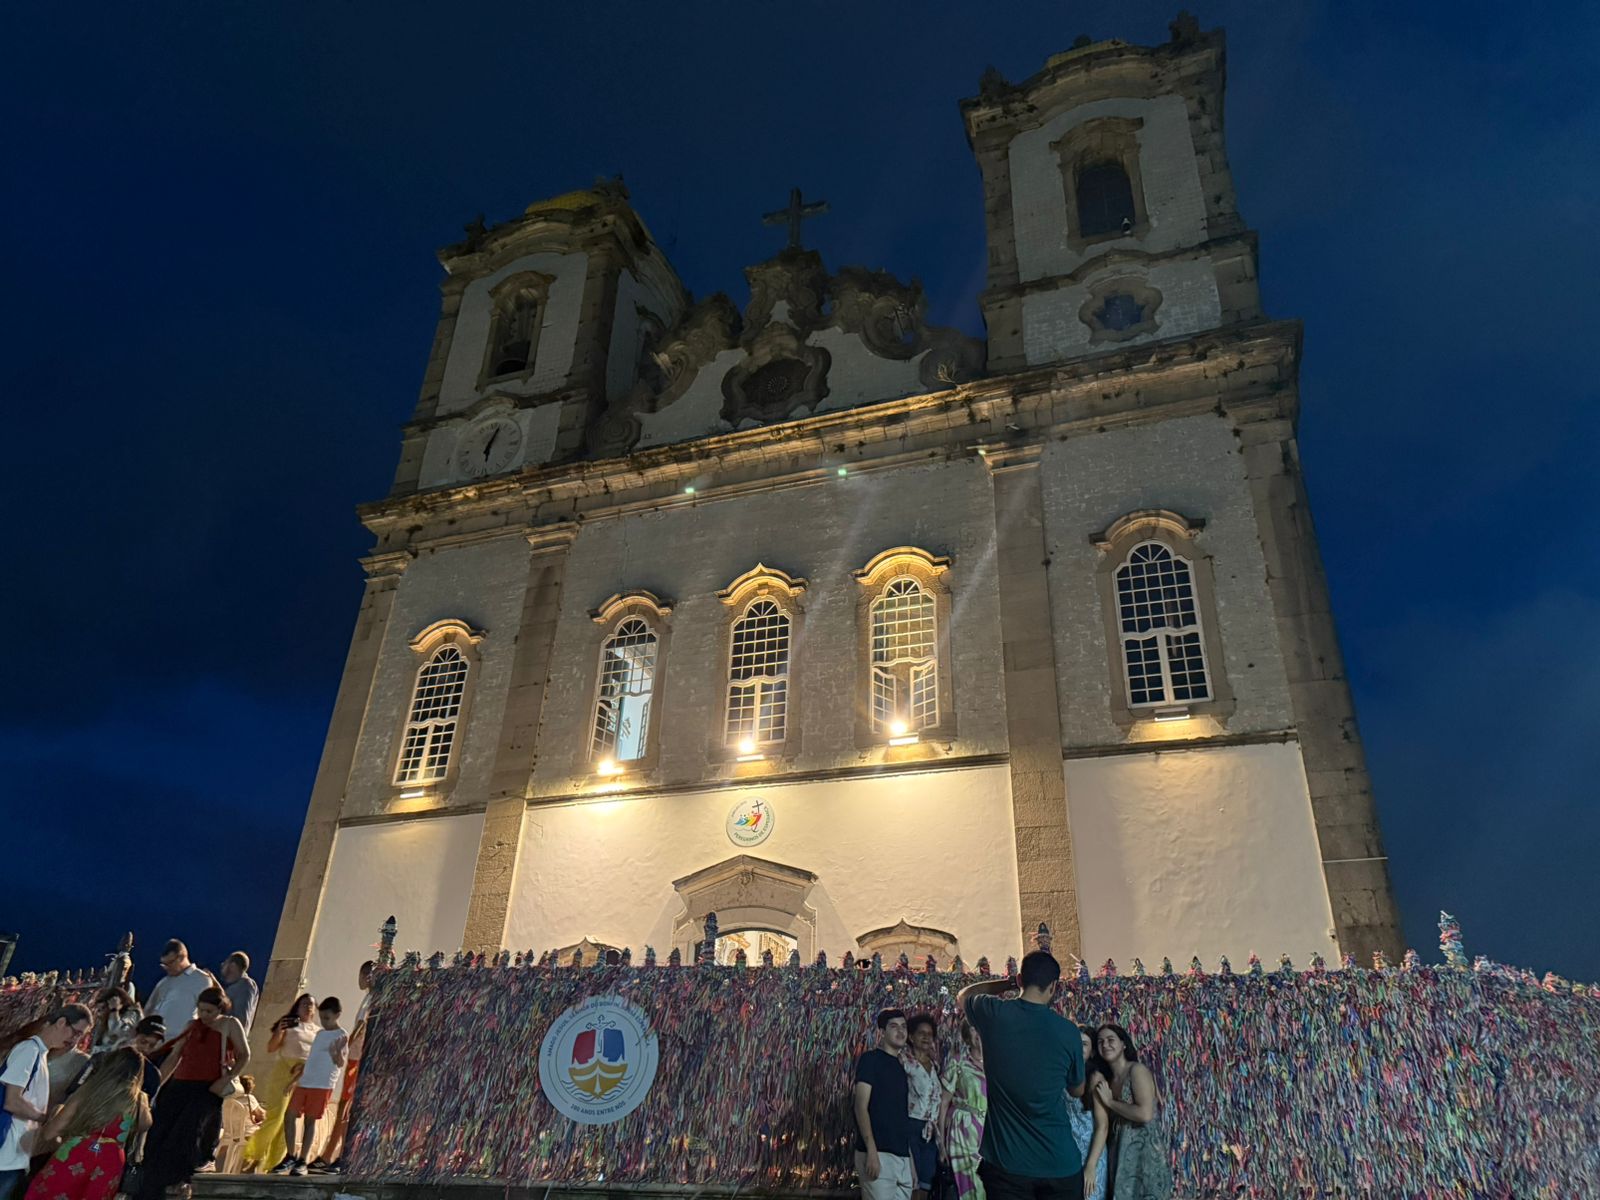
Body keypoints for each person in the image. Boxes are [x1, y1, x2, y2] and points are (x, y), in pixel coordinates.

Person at [957, 952, 1086, 1200]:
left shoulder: (993, 1013)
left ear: (1019, 979)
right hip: (1059, 1164)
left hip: (1007, 1165)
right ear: (1054, 986)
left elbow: (965, 996)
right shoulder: (1068, 1032)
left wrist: (1009, 983)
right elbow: (1076, 1089)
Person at [136, 988, 248, 1200]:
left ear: (219, 1009)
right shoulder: (192, 1026)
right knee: (160, 1131)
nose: (204, 1015)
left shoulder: (230, 1025)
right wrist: (157, 1084)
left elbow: (244, 1055)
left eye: (209, 1011)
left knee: (188, 1133)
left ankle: (179, 1180)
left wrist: (225, 1079)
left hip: (207, 1087)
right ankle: (151, 1186)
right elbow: (176, 1055)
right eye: (201, 1010)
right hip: (180, 1085)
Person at [24, 1047, 151, 1200]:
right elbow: (145, 1124)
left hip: (77, 1152)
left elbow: (50, 1133)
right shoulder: (137, 1100)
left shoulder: (89, 1089)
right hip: (111, 1160)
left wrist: (58, 1111)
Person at [1, 1004, 94, 1200]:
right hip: (6, 1154)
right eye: (76, 1032)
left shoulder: (40, 1053)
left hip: (14, 1155)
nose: (76, 1040)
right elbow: (12, 1101)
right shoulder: (29, 1051)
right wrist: (45, 1117)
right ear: (61, 1022)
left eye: (81, 1036)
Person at [1091, 1025, 1171, 1200]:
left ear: (1123, 1044)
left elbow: (1145, 1114)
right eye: (1100, 1042)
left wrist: (1110, 1102)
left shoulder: (1136, 1071)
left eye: (1111, 1040)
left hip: (1145, 1157)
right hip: (1120, 1155)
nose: (1105, 1045)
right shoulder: (1108, 1080)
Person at [240, 994, 317, 1173]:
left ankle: (273, 1163)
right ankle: (254, 1156)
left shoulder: (317, 1031)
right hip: (284, 1071)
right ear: (297, 1006)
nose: (308, 1007)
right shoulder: (289, 1025)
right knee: (276, 1116)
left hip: (303, 1075)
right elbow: (271, 1048)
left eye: (311, 1005)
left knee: (288, 1122)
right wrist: (280, 1031)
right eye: (304, 1004)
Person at [311, 960, 373, 1173]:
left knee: (347, 1108)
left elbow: (361, 1026)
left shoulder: (372, 999)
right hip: (354, 1058)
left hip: (357, 1059)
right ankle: (330, 1155)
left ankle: (338, 1156)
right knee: (344, 1108)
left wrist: (344, 1045)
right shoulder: (369, 999)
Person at [275, 998, 346, 1177]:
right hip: (306, 1081)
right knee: (289, 1116)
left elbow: (341, 1062)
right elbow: (312, 1058)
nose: (323, 1022)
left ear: (337, 1015)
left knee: (310, 1121)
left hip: (322, 1085)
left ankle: (303, 1161)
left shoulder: (341, 1035)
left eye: (327, 1018)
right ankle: (291, 1155)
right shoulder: (321, 1034)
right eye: (321, 1017)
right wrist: (295, 1080)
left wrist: (336, 1053)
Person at [853, 1008, 914, 1200]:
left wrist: (909, 1160)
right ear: (881, 1031)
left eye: (904, 1026)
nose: (900, 1031)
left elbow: (901, 1115)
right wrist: (871, 1150)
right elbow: (860, 1106)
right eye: (894, 1026)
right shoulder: (870, 1060)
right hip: (878, 1153)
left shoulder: (902, 1067)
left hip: (902, 1156)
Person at [938, 1020, 986, 1200]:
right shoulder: (958, 1062)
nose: (978, 1034)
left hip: (988, 1132)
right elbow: (943, 1104)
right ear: (967, 1036)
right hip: (963, 1132)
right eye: (973, 1030)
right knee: (967, 1187)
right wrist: (941, 1143)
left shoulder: (997, 1063)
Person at [144, 941, 216, 1044]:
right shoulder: (164, 982)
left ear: (182, 958)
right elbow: (149, 1008)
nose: (167, 968)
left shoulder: (201, 980)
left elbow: (206, 1014)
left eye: (170, 963)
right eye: (164, 964)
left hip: (177, 1044)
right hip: (153, 1043)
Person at [903, 1013, 941, 1200]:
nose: (926, 1037)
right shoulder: (904, 1062)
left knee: (926, 1182)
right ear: (911, 1037)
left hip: (930, 1131)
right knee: (911, 1183)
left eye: (930, 1034)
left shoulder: (935, 1066)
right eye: (921, 1033)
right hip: (910, 1125)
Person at [1070, 1028, 1108, 1200]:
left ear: (1092, 1052)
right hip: (1068, 1152)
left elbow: (1102, 1126)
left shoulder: (1095, 1078)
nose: (1078, 1047)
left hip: (1090, 1151)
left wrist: (1091, 1166)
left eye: (1084, 1044)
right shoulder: (1063, 1072)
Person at [90, 988, 142, 1055]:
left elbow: (116, 1031)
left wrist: (114, 1010)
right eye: (99, 1010)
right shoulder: (106, 1020)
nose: (100, 1013)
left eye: (103, 1008)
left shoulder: (133, 1014)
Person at [218, 954, 259, 1037]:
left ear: (232, 966)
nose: (222, 967)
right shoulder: (238, 986)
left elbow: (241, 1020)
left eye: (225, 963)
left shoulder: (245, 985)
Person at [130, 1019, 167, 1101]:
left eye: (152, 1045)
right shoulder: (108, 1057)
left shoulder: (152, 1074)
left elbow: (139, 1109)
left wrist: (126, 1115)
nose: (146, 1048)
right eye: (143, 1042)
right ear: (134, 1034)